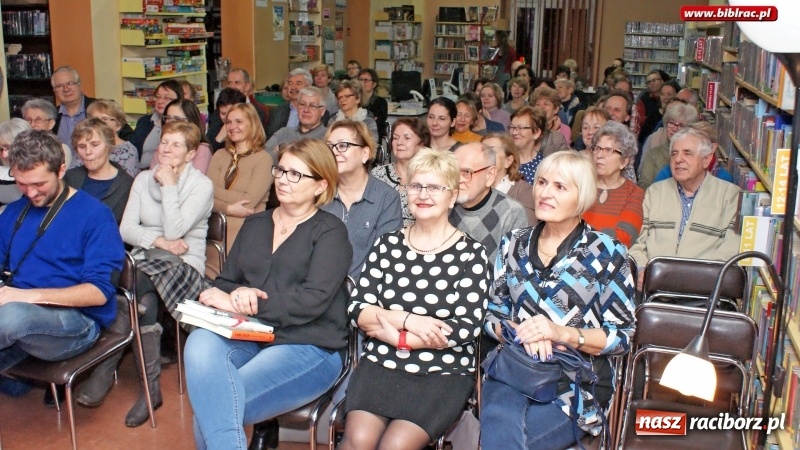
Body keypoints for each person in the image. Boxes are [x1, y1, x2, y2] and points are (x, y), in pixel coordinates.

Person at [185, 138, 352, 449]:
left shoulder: (330, 232)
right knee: (198, 340)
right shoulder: (256, 224)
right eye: (281, 170)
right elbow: (224, 282)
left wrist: (246, 305)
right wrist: (238, 292)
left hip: (309, 345)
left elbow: (311, 301)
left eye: (296, 175)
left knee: (213, 409)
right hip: (252, 336)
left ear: (320, 185)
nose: (283, 180)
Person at [481, 150, 636, 450]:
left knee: (514, 442)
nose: (544, 193)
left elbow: (622, 336)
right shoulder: (512, 244)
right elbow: (491, 315)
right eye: (541, 183)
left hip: (576, 384)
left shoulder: (607, 253)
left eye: (560, 187)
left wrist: (560, 333)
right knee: (500, 426)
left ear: (582, 197)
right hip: (515, 370)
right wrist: (516, 331)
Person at [339, 148, 490, 450]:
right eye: (416, 185)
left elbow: (464, 327)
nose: (423, 194)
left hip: (441, 371)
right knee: (358, 440)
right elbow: (358, 308)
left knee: (395, 446)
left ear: (452, 195)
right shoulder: (388, 244)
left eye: (435, 187)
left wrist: (398, 337)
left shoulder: (472, 255)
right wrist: (410, 321)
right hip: (381, 364)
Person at [0, 130, 125, 395]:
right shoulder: (13, 212)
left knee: (11, 316)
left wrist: (25, 296)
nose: (30, 192)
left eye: (39, 184)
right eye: (21, 184)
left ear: (61, 170)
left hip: (78, 323)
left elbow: (99, 292)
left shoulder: (95, 215)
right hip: (21, 320)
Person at [119, 121, 213, 427]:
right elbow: (126, 229)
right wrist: (158, 241)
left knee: (134, 287)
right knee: (141, 287)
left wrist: (170, 186)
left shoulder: (200, 185)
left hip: (184, 265)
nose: (166, 149)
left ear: (190, 154)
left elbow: (178, 230)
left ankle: (115, 370)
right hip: (147, 260)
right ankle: (151, 388)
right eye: (164, 142)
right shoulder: (143, 179)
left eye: (176, 145)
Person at [629, 127, 741, 289]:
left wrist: (689, 279)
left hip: (704, 291)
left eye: (687, 153)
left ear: (706, 159)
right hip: (654, 287)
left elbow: (731, 249)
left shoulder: (729, 195)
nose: (678, 159)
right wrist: (642, 269)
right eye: (674, 153)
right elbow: (637, 242)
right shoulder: (655, 192)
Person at [321, 120, 403, 279]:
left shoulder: (386, 198)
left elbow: (386, 257)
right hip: (318, 287)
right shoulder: (320, 191)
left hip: (364, 292)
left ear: (365, 154)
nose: (334, 152)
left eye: (343, 145)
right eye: (330, 146)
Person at [207, 103, 274, 258]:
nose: (232, 126)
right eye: (228, 122)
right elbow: (205, 195)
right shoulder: (219, 155)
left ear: (252, 123)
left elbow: (247, 202)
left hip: (247, 226)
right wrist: (227, 208)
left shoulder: (263, 159)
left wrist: (214, 192)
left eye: (239, 121)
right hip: (215, 223)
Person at [450, 142, 528, 260]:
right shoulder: (442, 203)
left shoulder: (512, 212)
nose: (458, 179)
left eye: (467, 172)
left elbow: (514, 268)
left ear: (490, 175)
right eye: (453, 172)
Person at [582, 122, 644, 248]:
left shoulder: (634, 193)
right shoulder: (580, 184)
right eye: (597, 148)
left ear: (624, 161)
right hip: (569, 257)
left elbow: (623, 238)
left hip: (609, 262)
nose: (599, 155)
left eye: (609, 150)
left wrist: (582, 246)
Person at [64, 118, 134, 224]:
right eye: (82, 146)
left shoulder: (128, 184)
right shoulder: (69, 178)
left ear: (108, 145)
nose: (88, 152)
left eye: (95, 145)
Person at [51, 66, 135, 148]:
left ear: (80, 86)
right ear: (54, 91)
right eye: (59, 86)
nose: (66, 89)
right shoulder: (51, 115)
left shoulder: (101, 108)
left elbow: (129, 138)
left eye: (70, 83)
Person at [372, 117, 430, 226]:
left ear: (422, 144)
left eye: (407, 138)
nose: (399, 142)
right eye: (395, 138)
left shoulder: (431, 177)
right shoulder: (377, 174)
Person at [638, 102, 698, 190]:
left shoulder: (696, 154)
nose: (674, 128)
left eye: (681, 125)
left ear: (691, 129)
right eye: (671, 123)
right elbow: (643, 184)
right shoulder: (654, 153)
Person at [482, 133, 536, 226]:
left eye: (492, 150)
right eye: (482, 150)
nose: (485, 155)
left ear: (508, 161)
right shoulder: (472, 184)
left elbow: (526, 229)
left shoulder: (524, 191)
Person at [653, 122, 733, 184]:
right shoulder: (667, 173)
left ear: (712, 148)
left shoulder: (724, 179)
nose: (678, 159)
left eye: (687, 153)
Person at [129, 79, 183, 169]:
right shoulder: (145, 121)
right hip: (138, 172)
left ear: (178, 101)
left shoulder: (179, 124)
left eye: (166, 98)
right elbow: (133, 149)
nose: (160, 101)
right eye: (158, 97)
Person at [266, 87, 329, 161]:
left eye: (312, 106)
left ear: (322, 111)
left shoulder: (328, 137)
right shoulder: (283, 133)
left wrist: (280, 151)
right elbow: (263, 157)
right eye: (302, 104)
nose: (306, 110)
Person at [511, 106, 569, 184]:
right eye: (512, 127)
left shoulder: (545, 167)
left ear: (536, 133)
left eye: (521, 128)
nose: (514, 132)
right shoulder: (503, 159)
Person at [266, 69, 328, 138]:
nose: (293, 87)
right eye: (290, 83)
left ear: (308, 87)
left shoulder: (320, 113)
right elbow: (269, 138)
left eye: (298, 83)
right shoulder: (277, 111)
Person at [86, 99, 140, 178]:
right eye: (95, 120)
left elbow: (124, 182)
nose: (99, 124)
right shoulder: (85, 146)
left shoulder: (128, 150)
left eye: (104, 119)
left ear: (118, 125)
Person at [158, 99, 213, 174]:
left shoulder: (201, 150)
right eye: (168, 118)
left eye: (177, 119)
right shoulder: (162, 147)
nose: (170, 122)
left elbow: (196, 182)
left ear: (191, 122)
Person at [21, 98, 73, 169]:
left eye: (38, 120)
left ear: (51, 124)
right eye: (29, 120)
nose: (32, 124)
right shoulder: (19, 148)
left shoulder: (61, 150)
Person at [0, 119, 30, 211]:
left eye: (9, 148)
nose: (4, 155)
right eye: (1, 149)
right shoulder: (2, 172)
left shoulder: (35, 175)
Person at [206, 87, 247, 152]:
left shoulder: (249, 128)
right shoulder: (216, 125)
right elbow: (207, 152)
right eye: (223, 113)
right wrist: (219, 138)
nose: (227, 118)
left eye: (231, 113)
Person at [635, 70, 667, 148]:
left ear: (662, 81)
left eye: (654, 80)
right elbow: (640, 118)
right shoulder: (644, 98)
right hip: (648, 134)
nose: (652, 83)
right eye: (649, 82)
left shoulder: (668, 97)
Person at [358, 68, 388, 142]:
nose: (362, 83)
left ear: (374, 84)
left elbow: (376, 124)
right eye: (360, 79)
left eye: (366, 80)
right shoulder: (355, 100)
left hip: (372, 138)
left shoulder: (381, 102)